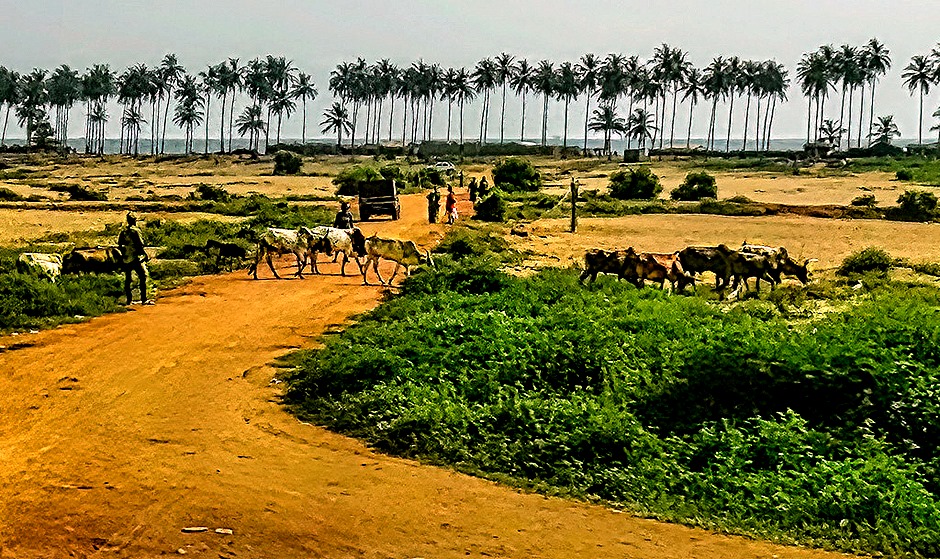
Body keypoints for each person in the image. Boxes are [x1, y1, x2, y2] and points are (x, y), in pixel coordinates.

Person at [117, 213, 151, 305]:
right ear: (134, 221)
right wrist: (144, 254)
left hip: (126, 257)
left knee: (128, 279)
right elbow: (140, 244)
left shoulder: (123, 231)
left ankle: (129, 300)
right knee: (142, 276)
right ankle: (144, 299)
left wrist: (124, 254)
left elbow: (119, 244)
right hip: (135, 257)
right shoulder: (135, 231)